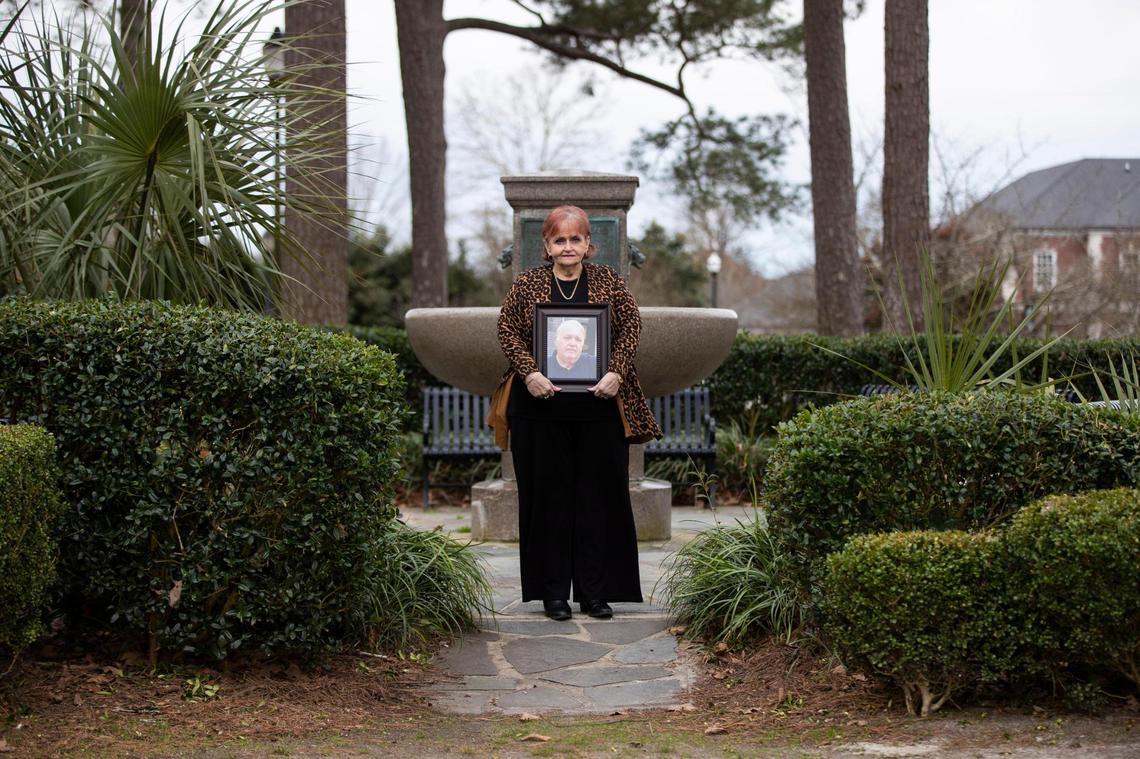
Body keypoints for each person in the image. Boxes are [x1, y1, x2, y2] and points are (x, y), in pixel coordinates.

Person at [488, 204, 662, 621]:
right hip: (539, 408)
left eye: (575, 239)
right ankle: (552, 595)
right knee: (547, 501)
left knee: (598, 500)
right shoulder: (528, 284)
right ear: (546, 246)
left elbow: (631, 325)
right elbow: (505, 329)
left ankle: (595, 593)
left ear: (589, 244)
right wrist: (529, 372)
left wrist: (617, 372)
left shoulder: (608, 281)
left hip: (598, 408)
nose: (568, 247)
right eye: (559, 240)